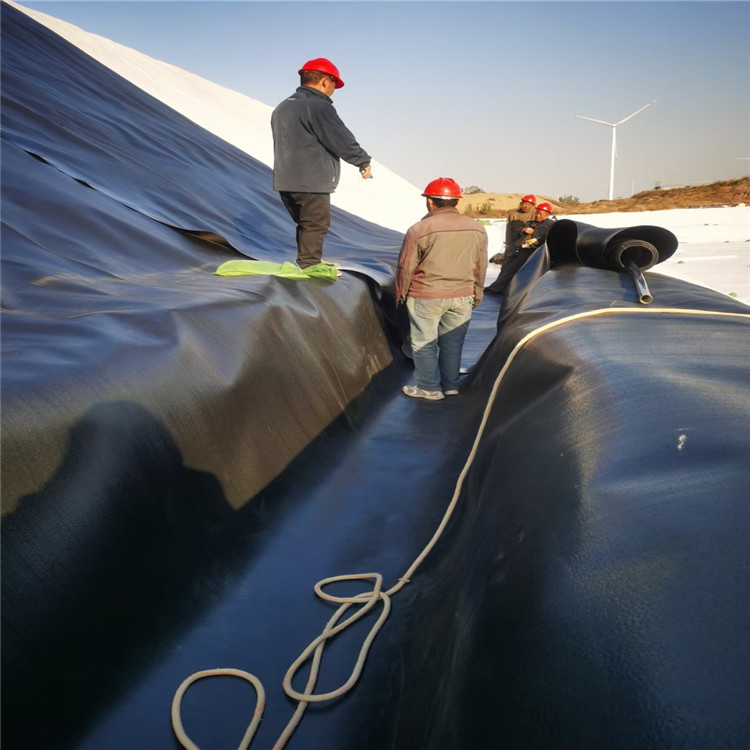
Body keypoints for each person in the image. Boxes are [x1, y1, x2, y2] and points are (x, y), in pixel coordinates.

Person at [271, 58, 373, 269]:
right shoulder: (318, 106)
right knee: (315, 224)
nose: (333, 91)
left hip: (285, 179)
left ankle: (308, 260)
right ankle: (309, 265)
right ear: (326, 81)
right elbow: (340, 138)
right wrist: (362, 160)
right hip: (312, 179)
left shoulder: (282, 107)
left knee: (306, 224)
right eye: (334, 86)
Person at [396, 178, 488, 401]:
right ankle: (450, 386)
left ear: (430, 202)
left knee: (424, 343)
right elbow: (481, 264)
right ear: (456, 201)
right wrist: (477, 292)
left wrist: (400, 293)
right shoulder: (477, 228)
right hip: (462, 295)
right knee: (452, 343)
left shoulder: (419, 229)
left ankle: (429, 388)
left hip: (426, 295)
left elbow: (406, 266)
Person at [488, 202, 555, 295]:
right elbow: (522, 231)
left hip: (532, 252)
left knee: (513, 270)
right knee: (506, 269)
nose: (538, 215)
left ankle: (496, 288)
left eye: (540, 213)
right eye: (537, 212)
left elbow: (549, 237)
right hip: (519, 249)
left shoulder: (551, 224)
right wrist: (524, 230)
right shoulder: (530, 223)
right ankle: (501, 287)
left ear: (547, 214)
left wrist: (536, 240)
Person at [489, 194, 537, 264]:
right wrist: (508, 243)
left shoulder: (535, 214)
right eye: (524, 203)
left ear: (533, 206)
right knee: (508, 264)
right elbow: (508, 230)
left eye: (529, 204)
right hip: (513, 242)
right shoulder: (513, 214)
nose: (526, 206)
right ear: (521, 204)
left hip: (528, 244)